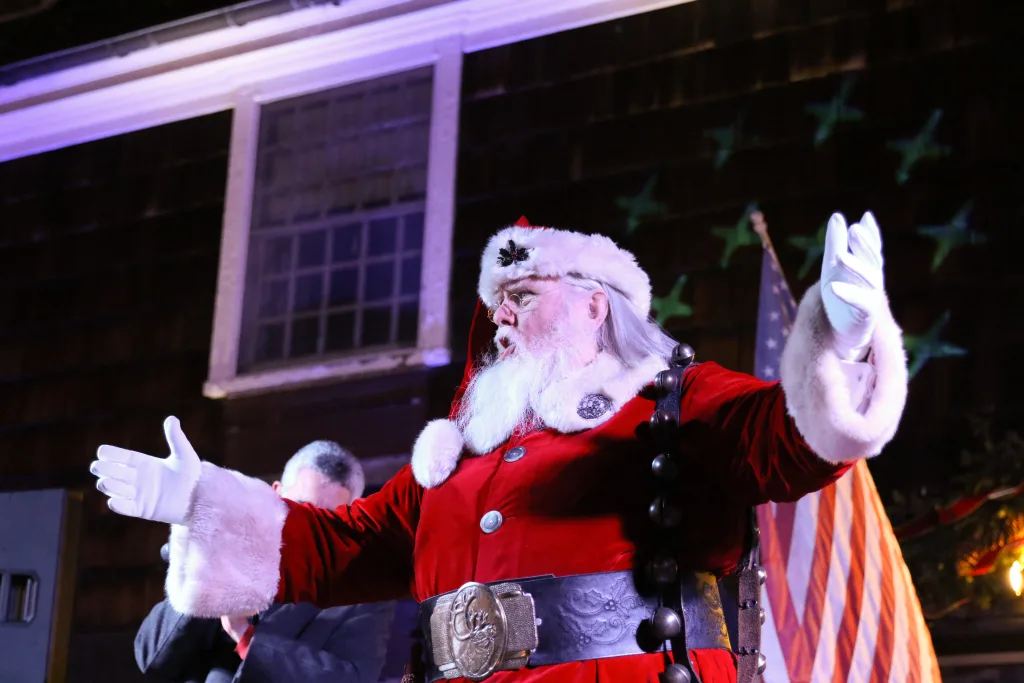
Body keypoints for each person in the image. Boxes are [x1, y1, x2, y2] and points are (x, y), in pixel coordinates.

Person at [91, 211, 908, 683]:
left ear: (597, 305)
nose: (503, 318)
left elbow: (783, 439)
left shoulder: (671, 398)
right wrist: (202, 504)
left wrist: (836, 346)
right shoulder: (457, 456)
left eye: (523, 294)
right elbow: (345, 542)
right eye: (497, 302)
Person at [132, 441, 395, 683]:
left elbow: (353, 678)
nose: (310, 527)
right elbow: (152, 659)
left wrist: (248, 638)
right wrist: (201, 569)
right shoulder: (229, 546)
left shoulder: (364, 590)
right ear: (276, 493)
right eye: (301, 507)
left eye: (327, 518)